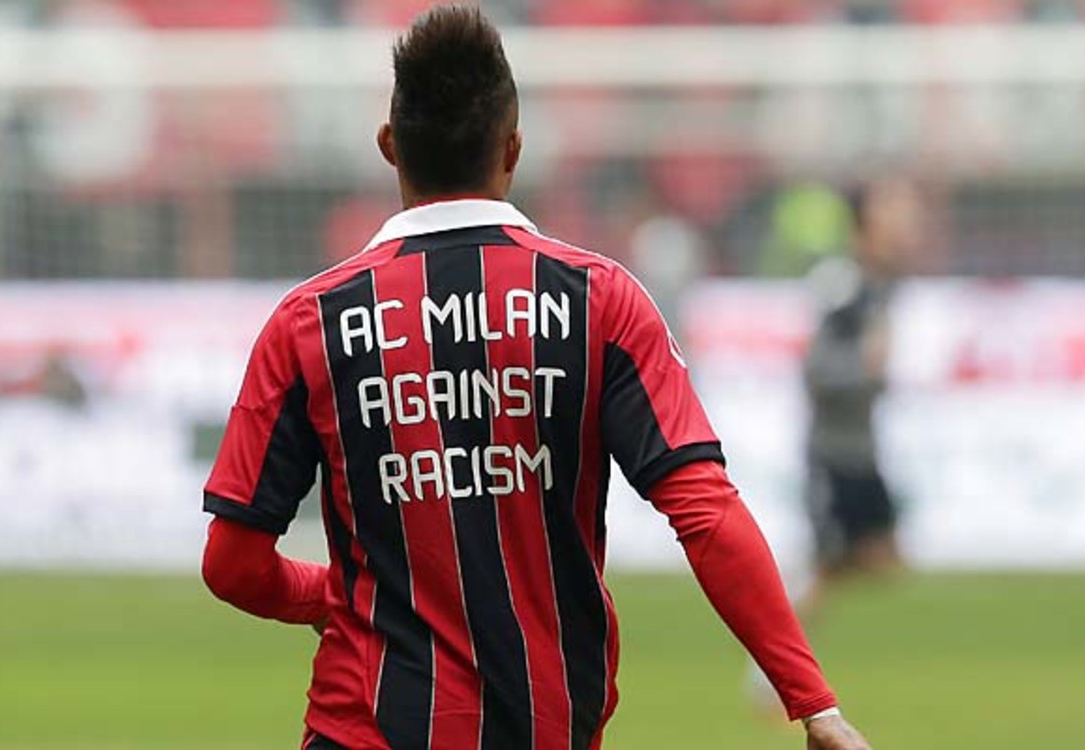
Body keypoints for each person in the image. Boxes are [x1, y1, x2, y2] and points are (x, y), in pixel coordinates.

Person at [200, 6, 871, 749]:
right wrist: (812, 702)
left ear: (390, 146)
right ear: (512, 148)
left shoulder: (309, 322)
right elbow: (705, 511)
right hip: (544, 725)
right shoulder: (600, 301)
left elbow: (232, 565)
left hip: (363, 728)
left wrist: (331, 595)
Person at [803, 178, 922, 582]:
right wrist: (863, 368)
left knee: (878, 563)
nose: (905, 221)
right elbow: (815, 372)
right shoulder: (845, 287)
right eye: (890, 210)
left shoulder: (879, 286)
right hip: (834, 455)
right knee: (831, 571)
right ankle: (765, 645)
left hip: (862, 452)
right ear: (864, 224)